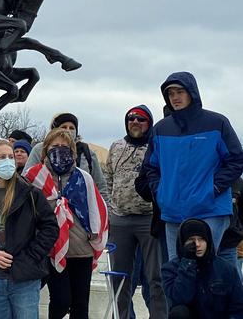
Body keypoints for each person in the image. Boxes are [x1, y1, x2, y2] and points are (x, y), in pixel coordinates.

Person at [142, 72, 243, 265]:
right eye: (170, 93)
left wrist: (212, 189)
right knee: (177, 272)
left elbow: (236, 160)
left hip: (210, 210)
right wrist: (161, 192)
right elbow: (150, 167)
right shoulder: (161, 129)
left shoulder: (217, 123)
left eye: (180, 91)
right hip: (172, 211)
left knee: (205, 270)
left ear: (192, 93)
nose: (175, 97)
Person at [0, 140, 58, 319]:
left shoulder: (30, 193)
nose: (8, 161)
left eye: (11, 156)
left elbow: (50, 227)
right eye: (1, 157)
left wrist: (30, 257)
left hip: (25, 277)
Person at [24, 129, 109, 319]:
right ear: (45, 150)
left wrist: (95, 231)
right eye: (55, 147)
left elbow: (96, 206)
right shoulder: (33, 177)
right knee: (60, 301)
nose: (59, 150)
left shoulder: (83, 177)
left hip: (81, 250)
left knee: (80, 306)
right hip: (51, 250)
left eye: (65, 147)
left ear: (72, 151)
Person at [103, 105, 166, 318]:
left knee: (155, 276)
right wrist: (112, 207)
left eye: (141, 119)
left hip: (149, 219)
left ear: (149, 123)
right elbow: (108, 177)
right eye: (131, 118)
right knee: (120, 277)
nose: (135, 122)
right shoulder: (116, 146)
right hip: (120, 219)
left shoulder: (156, 145)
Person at [162, 218, 243, 318]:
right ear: (183, 243)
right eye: (191, 240)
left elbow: (238, 308)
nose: (197, 244)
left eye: (201, 239)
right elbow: (180, 299)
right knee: (179, 312)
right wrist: (188, 263)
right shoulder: (170, 269)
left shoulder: (226, 269)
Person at [25, 113, 109, 203]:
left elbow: (100, 186)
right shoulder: (40, 149)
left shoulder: (88, 153)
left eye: (72, 128)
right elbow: (26, 180)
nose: (68, 130)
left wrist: (104, 210)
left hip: (78, 208)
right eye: (64, 127)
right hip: (44, 205)